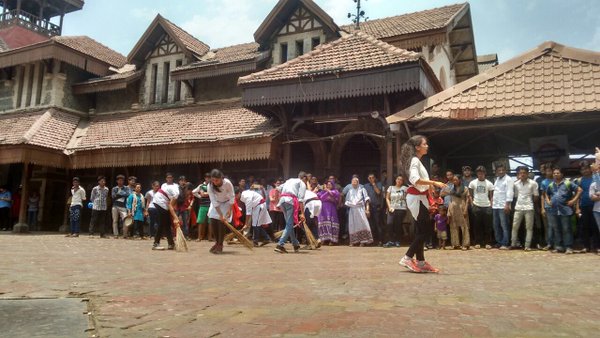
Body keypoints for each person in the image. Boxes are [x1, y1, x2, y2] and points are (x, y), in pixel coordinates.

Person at [398, 135, 447, 273]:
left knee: (421, 230)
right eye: (424, 144)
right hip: (417, 199)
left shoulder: (416, 161)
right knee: (425, 231)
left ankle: (420, 261)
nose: (427, 146)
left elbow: (419, 181)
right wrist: (433, 183)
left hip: (420, 198)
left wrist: (430, 188)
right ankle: (407, 257)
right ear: (417, 147)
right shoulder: (414, 160)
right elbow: (415, 180)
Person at [546, 167, 582, 254]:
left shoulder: (568, 183)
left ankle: (568, 247)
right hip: (554, 210)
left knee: (566, 229)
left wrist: (573, 201)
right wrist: (548, 201)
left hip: (565, 210)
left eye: (557, 173)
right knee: (557, 229)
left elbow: (579, 190)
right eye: (554, 173)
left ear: (562, 174)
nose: (555, 174)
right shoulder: (551, 185)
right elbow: (546, 194)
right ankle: (559, 246)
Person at [274, 172, 308, 254]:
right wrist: (303, 213)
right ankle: (280, 245)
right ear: (304, 178)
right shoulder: (302, 183)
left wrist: (276, 202)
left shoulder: (289, 180)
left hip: (282, 201)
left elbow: (277, 189)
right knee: (289, 224)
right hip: (290, 201)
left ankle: (295, 244)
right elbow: (300, 200)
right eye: (307, 180)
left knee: (289, 224)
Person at [511, 166, 539, 251]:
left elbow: (536, 196)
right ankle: (513, 244)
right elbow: (516, 196)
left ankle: (527, 245)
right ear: (518, 174)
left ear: (527, 174)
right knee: (515, 227)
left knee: (529, 228)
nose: (522, 174)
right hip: (518, 207)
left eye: (524, 173)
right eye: (520, 173)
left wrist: (529, 202)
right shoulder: (515, 184)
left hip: (529, 207)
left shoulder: (533, 183)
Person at [207, 169, 235, 254]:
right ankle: (216, 242)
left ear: (221, 178)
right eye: (213, 180)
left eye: (217, 180)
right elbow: (213, 201)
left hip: (226, 204)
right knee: (213, 221)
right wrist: (220, 214)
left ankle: (220, 244)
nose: (215, 182)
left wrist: (230, 210)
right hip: (216, 205)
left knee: (221, 223)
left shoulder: (227, 183)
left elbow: (232, 196)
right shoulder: (210, 186)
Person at [574, 161, 599, 253]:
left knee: (595, 226)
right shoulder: (579, 180)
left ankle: (597, 246)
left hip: (596, 206)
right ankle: (586, 246)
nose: (584, 171)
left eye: (586, 168)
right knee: (584, 227)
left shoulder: (596, 178)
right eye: (582, 169)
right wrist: (577, 208)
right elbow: (578, 195)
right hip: (584, 206)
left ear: (590, 168)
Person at [151, 174, 180, 251]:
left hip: (161, 202)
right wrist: (176, 218)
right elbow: (170, 206)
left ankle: (171, 244)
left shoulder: (175, 189)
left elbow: (171, 206)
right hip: (160, 202)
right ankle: (156, 243)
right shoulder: (176, 193)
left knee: (167, 224)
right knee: (162, 224)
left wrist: (174, 217)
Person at [468, 166, 494, 249]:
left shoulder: (489, 183)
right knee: (477, 225)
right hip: (476, 206)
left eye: (482, 173)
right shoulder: (472, 183)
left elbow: (491, 196)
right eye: (479, 173)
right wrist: (472, 205)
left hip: (487, 206)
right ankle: (478, 242)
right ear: (477, 174)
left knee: (488, 226)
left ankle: (487, 242)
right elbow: (470, 195)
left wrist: (491, 205)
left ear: (485, 173)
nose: (480, 174)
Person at [345, 177, 373, 247]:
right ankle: (353, 241)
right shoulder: (350, 191)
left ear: (358, 183)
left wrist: (367, 209)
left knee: (362, 224)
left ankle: (363, 241)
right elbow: (347, 201)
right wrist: (351, 204)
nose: (354, 183)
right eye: (353, 181)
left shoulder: (362, 190)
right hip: (352, 210)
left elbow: (366, 200)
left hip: (360, 209)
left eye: (355, 181)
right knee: (352, 225)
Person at [491, 163, 514, 250]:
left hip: (503, 205)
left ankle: (505, 242)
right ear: (496, 171)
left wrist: (507, 204)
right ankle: (499, 241)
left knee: (504, 225)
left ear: (505, 170)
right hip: (495, 205)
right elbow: (495, 191)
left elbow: (510, 192)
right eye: (499, 170)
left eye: (502, 170)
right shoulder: (497, 179)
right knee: (496, 225)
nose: (501, 172)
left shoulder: (508, 179)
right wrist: (492, 200)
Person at [447, 175, 471, 250]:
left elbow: (467, 200)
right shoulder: (451, 189)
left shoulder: (465, 188)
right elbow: (450, 200)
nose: (454, 181)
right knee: (453, 226)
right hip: (453, 208)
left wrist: (466, 209)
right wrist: (449, 211)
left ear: (460, 180)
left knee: (464, 226)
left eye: (456, 180)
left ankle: (465, 244)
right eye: (453, 180)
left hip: (462, 207)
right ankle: (455, 243)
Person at [384, 174, 408, 248]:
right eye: (398, 179)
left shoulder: (404, 188)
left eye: (401, 180)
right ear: (395, 179)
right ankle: (391, 240)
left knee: (398, 225)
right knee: (389, 224)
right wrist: (389, 206)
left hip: (401, 208)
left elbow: (409, 196)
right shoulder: (390, 188)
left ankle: (398, 241)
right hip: (392, 208)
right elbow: (387, 198)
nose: (399, 181)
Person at [317, 180, 341, 245]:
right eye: (327, 184)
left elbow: (336, 197)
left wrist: (327, 190)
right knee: (323, 222)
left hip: (331, 208)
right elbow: (318, 196)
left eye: (330, 184)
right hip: (323, 209)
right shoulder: (322, 192)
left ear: (333, 185)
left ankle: (332, 240)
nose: (328, 186)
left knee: (331, 222)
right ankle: (324, 239)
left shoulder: (335, 191)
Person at [364, 173, 384, 246]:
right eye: (369, 178)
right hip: (368, 207)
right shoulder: (365, 186)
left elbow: (378, 192)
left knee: (378, 224)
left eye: (372, 177)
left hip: (377, 207)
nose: (371, 179)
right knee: (370, 224)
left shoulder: (378, 184)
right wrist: (367, 208)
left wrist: (373, 184)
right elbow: (365, 197)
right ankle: (371, 241)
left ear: (375, 178)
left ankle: (380, 241)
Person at [539, 164, 555, 250]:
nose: (549, 173)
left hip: (558, 207)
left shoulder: (558, 180)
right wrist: (542, 208)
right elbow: (542, 196)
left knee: (557, 225)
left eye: (550, 170)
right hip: (547, 207)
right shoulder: (544, 182)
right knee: (548, 226)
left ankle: (557, 243)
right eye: (547, 171)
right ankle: (549, 243)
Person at [193, 173, 212, 241]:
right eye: (207, 177)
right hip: (203, 206)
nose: (208, 178)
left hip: (211, 206)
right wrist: (200, 196)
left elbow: (204, 194)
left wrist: (204, 194)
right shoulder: (201, 186)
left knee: (210, 222)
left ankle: (210, 237)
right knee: (200, 221)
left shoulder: (212, 185)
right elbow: (195, 192)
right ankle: (199, 237)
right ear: (205, 178)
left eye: (209, 177)